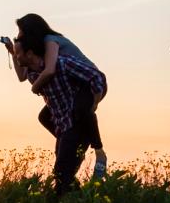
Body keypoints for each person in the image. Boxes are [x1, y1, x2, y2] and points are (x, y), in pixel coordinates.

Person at [10, 13, 108, 179]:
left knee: (81, 110)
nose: (19, 35)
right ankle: (73, 146)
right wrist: (13, 52)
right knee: (45, 116)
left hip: (88, 82)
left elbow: (49, 70)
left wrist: (35, 87)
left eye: (21, 31)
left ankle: (99, 151)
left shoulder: (49, 41)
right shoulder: (36, 54)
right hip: (73, 84)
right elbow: (22, 76)